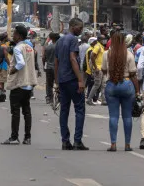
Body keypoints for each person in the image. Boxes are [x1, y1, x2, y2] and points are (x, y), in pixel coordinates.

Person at [101, 30, 138, 152]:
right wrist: (137, 91)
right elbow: (133, 74)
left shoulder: (106, 54)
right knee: (127, 117)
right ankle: (127, 145)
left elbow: (104, 70)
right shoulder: (129, 55)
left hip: (112, 84)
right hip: (127, 84)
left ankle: (113, 144)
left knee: (113, 116)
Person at [1, 25, 37, 145]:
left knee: (15, 112)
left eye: (15, 34)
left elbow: (21, 63)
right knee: (27, 111)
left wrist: (13, 70)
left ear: (19, 35)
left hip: (18, 84)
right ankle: (28, 137)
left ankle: (14, 137)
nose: (13, 36)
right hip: (28, 84)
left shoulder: (18, 48)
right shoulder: (29, 47)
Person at [56, 18, 89, 150]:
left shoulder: (59, 40)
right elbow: (73, 59)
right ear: (73, 26)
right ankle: (77, 141)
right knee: (79, 109)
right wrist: (80, 80)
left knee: (64, 110)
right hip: (72, 80)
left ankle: (65, 141)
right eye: (79, 28)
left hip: (62, 80)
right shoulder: (73, 40)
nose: (81, 31)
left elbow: (56, 62)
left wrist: (57, 82)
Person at [85, 36, 105, 105]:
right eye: (103, 39)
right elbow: (92, 56)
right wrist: (95, 67)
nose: (104, 40)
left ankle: (104, 100)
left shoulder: (101, 46)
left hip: (101, 68)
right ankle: (89, 99)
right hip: (98, 69)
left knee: (103, 85)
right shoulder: (97, 46)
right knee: (97, 84)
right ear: (99, 39)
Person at [43, 32, 59, 104]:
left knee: (49, 84)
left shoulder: (48, 47)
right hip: (57, 68)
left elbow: (43, 57)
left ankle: (49, 98)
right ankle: (59, 97)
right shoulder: (59, 47)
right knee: (58, 83)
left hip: (49, 67)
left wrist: (44, 66)